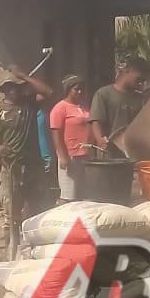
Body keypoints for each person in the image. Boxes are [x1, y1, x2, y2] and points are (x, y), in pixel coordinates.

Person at [0, 64, 53, 249]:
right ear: (4, 89)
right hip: (11, 168)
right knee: (11, 213)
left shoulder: (29, 104)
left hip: (33, 167)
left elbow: (48, 92)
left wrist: (24, 75)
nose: (14, 90)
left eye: (18, 86)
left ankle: (35, 246)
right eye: (10, 86)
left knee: (39, 207)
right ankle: (11, 250)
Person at [90, 57, 150, 159]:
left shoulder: (140, 98)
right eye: (138, 78)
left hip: (132, 154)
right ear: (127, 71)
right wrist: (100, 140)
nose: (141, 83)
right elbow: (96, 122)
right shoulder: (104, 94)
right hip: (109, 153)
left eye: (143, 80)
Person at [51, 74, 91, 203]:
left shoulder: (83, 108)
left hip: (85, 156)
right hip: (70, 156)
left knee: (82, 194)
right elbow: (56, 134)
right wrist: (63, 157)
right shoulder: (60, 108)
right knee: (68, 194)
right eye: (76, 89)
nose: (80, 92)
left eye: (82, 89)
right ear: (68, 90)